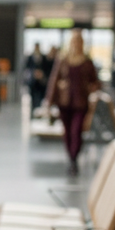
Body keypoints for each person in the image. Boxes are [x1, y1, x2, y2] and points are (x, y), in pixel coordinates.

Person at [44, 30, 99, 176]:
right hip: (65, 102)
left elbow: (96, 82)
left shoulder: (87, 61)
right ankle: (70, 157)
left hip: (81, 102)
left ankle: (74, 158)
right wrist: (49, 101)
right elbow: (54, 80)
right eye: (74, 40)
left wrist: (91, 88)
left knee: (76, 131)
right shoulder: (63, 59)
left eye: (78, 41)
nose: (76, 43)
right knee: (67, 132)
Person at [24, 43, 49, 114]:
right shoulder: (30, 57)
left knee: (41, 97)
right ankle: (33, 112)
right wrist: (33, 73)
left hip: (41, 82)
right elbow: (27, 69)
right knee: (33, 97)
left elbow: (46, 68)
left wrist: (42, 74)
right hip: (33, 81)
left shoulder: (43, 57)